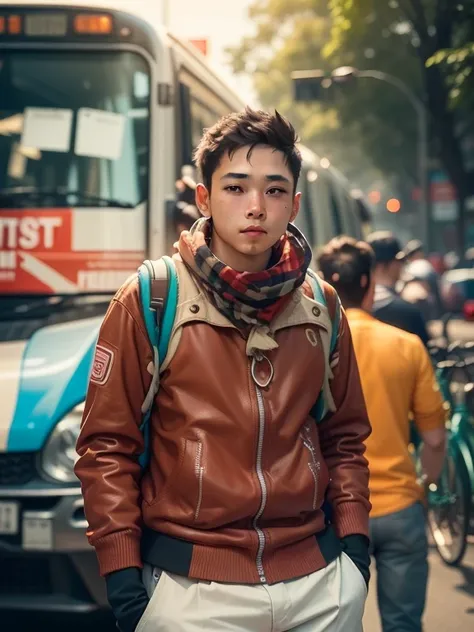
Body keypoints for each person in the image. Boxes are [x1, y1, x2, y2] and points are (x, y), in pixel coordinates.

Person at [75, 108, 372, 632]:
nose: (256, 206)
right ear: (204, 198)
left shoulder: (321, 305)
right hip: (191, 590)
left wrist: (354, 554)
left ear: (294, 204)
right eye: (236, 188)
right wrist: (124, 581)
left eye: (275, 190)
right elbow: (105, 447)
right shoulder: (151, 299)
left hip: (318, 583)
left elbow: (344, 436)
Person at [317, 236, 446, 632]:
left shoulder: (311, 346)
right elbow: (436, 438)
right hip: (400, 507)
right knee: (403, 623)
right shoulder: (406, 346)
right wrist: (425, 486)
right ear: (371, 284)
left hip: (330, 511)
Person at [366, 231, 430, 345]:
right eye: (399, 261)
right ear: (384, 265)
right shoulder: (407, 311)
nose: (401, 265)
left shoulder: (356, 306)